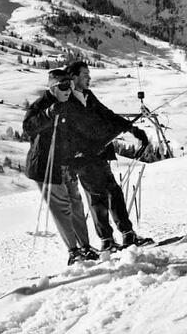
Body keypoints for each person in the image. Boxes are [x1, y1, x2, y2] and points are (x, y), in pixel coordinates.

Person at [64, 61, 153, 251]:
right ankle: (107, 240)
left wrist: (133, 129)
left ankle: (127, 235)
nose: (89, 78)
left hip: (100, 154)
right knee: (98, 197)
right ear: (74, 77)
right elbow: (68, 132)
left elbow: (108, 115)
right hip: (83, 158)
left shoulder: (88, 96)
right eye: (85, 74)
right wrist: (84, 148)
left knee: (114, 192)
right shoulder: (66, 101)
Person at [23, 69, 98, 265]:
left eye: (71, 85)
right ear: (53, 88)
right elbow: (29, 127)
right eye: (64, 87)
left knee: (76, 205)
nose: (68, 90)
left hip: (67, 163)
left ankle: (85, 246)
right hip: (46, 165)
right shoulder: (42, 106)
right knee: (63, 207)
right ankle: (73, 251)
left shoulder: (68, 104)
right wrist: (48, 114)